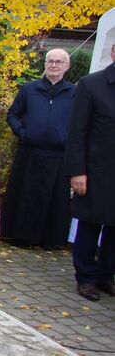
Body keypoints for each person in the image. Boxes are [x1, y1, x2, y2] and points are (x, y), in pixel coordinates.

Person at [1, 49, 75, 248]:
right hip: (29, 153)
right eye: (50, 61)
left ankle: (50, 240)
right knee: (25, 196)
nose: (54, 65)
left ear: (67, 66)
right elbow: (12, 114)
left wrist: (68, 138)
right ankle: (20, 236)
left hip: (58, 155)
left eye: (59, 62)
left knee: (54, 200)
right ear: (45, 64)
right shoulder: (29, 89)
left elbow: (80, 122)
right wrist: (22, 133)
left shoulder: (74, 93)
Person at [64, 43, 115, 301]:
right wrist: (77, 171)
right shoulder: (91, 84)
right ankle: (85, 277)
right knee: (90, 225)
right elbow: (77, 132)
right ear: (113, 53)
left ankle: (106, 275)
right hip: (95, 171)